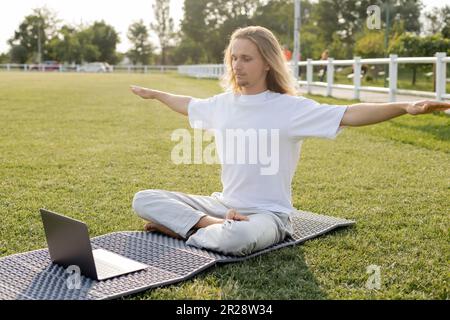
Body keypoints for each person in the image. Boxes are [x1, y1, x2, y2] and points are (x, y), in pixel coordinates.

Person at [130, 26, 450, 256]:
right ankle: (208, 225)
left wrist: (404, 107)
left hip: (268, 215)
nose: (237, 66)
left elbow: (349, 113)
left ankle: (185, 228)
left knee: (238, 238)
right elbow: (187, 104)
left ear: (267, 62)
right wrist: (158, 95)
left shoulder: (290, 109)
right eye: (234, 58)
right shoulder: (222, 104)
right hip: (223, 205)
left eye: (247, 59)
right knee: (144, 198)